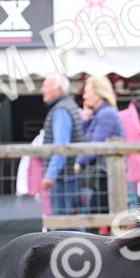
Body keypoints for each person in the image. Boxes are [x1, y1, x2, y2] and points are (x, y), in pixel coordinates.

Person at [74, 74, 125, 216]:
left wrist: (79, 163)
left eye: (87, 91)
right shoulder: (100, 114)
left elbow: (95, 146)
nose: (84, 96)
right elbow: (86, 140)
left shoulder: (106, 114)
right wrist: (86, 119)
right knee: (99, 218)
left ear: (98, 92)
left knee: (96, 219)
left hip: (108, 176)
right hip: (105, 175)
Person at [40, 74, 84, 218]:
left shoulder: (61, 110)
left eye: (46, 86)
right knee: (71, 222)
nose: (42, 90)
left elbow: (61, 146)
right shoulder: (69, 105)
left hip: (63, 178)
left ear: (57, 90)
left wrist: (50, 175)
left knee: (62, 224)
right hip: (69, 175)